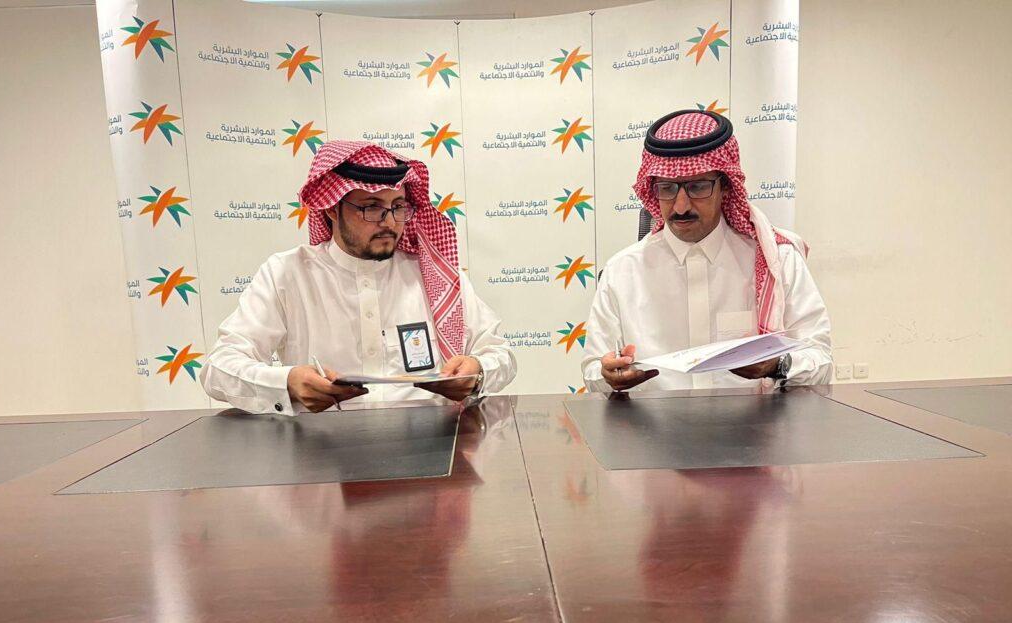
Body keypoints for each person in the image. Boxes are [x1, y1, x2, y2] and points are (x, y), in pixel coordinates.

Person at [201, 141, 516, 414]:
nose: (389, 222)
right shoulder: (288, 274)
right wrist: (286, 383)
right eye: (371, 208)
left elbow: (500, 354)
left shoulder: (434, 274)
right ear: (331, 209)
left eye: (398, 207)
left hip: (430, 447)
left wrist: (477, 373)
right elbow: (218, 368)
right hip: (323, 453)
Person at [582, 109, 832, 393]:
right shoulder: (621, 271)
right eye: (667, 188)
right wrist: (607, 375)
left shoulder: (777, 260)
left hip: (753, 422)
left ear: (725, 186)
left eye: (698, 186)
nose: (680, 207)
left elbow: (821, 361)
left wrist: (778, 365)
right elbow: (593, 369)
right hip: (653, 421)